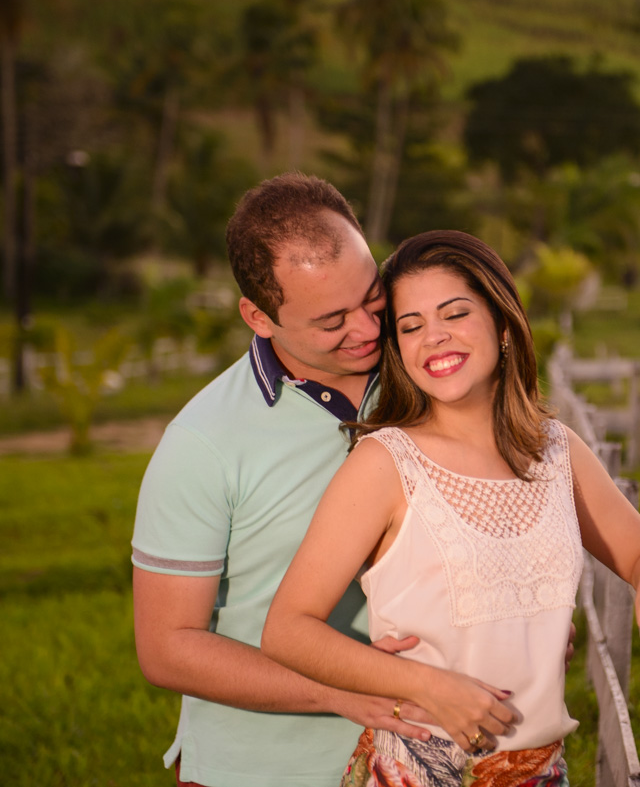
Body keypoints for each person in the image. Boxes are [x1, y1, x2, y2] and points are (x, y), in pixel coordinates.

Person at [260, 230, 640, 786]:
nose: (433, 339)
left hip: (541, 773)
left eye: (454, 314)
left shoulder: (556, 451)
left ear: (503, 324)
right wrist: (428, 686)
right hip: (416, 772)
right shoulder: (384, 463)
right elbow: (286, 630)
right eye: (410, 326)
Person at [131, 172, 440, 787]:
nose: (368, 330)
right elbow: (167, 646)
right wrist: (342, 690)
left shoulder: (433, 376)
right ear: (259, 316)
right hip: (260, 770)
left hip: (432, 758)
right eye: (332, 321)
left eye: (372, 298)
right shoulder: (201, 443)